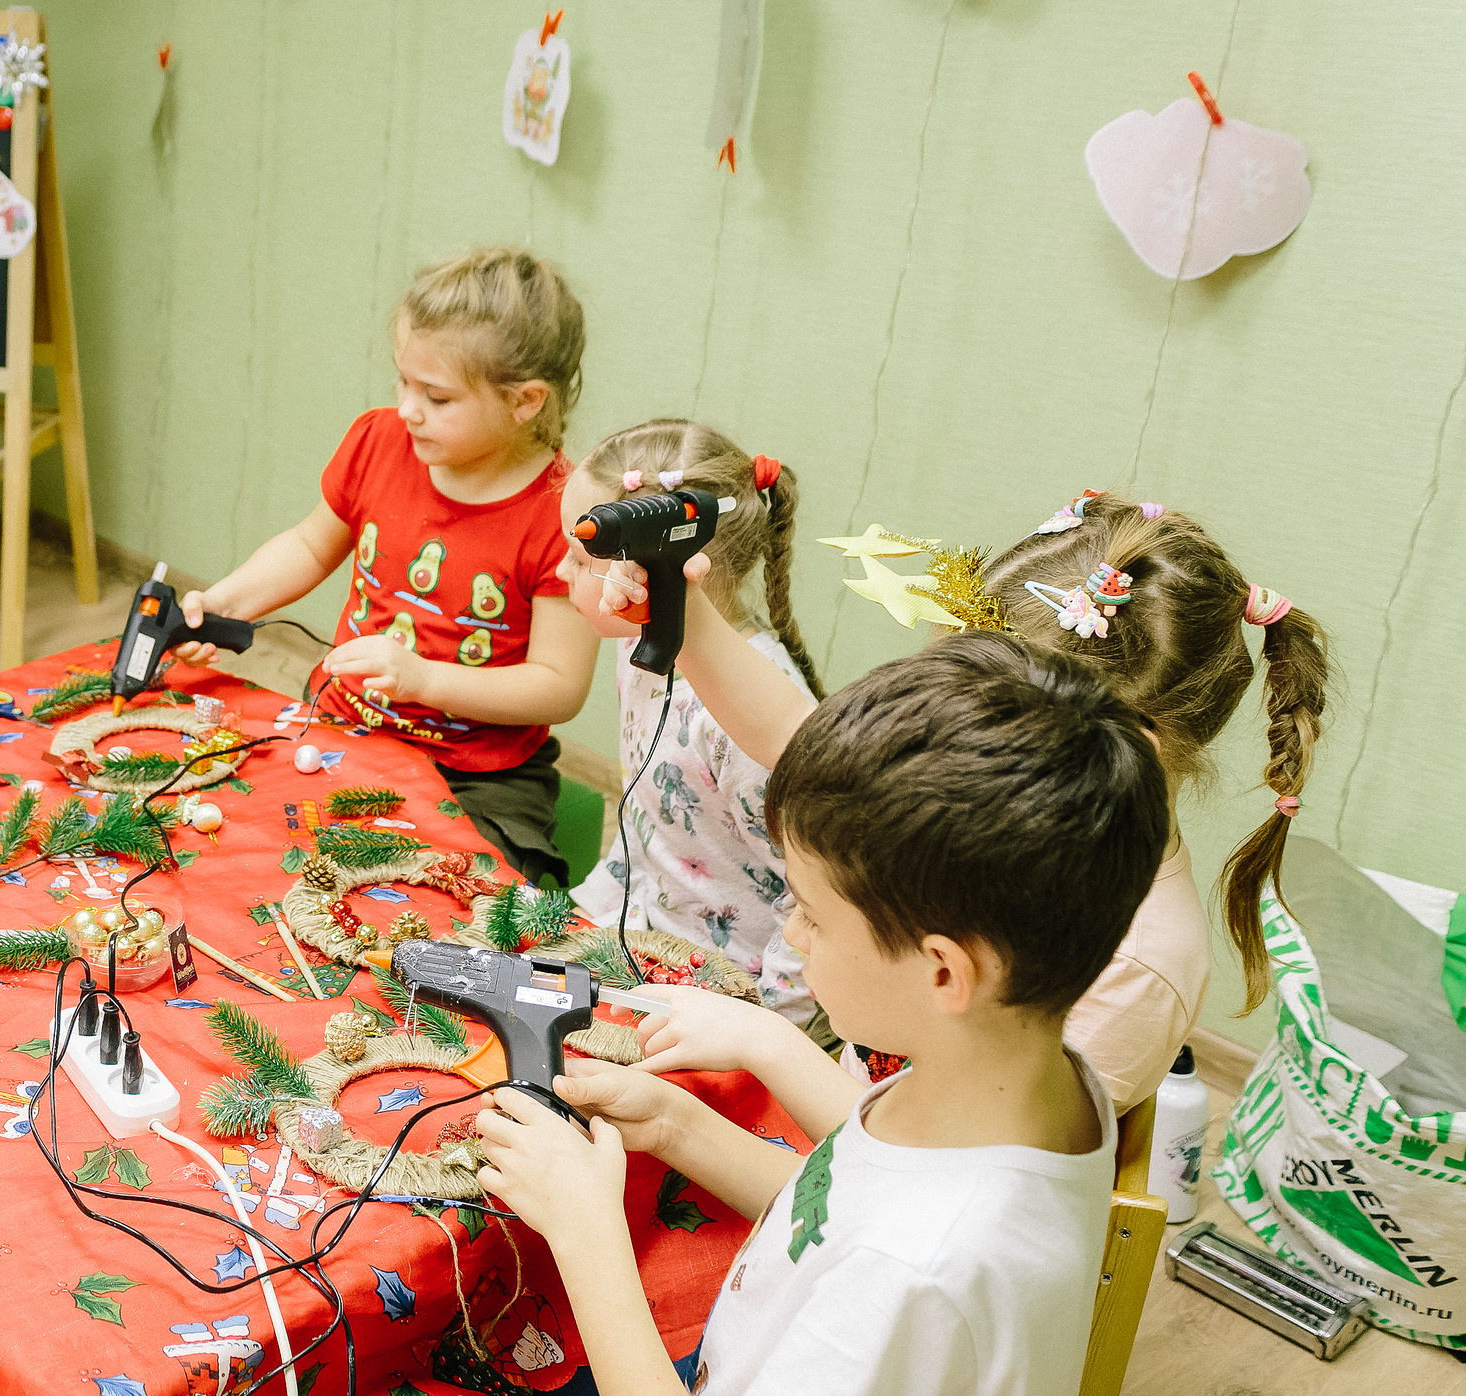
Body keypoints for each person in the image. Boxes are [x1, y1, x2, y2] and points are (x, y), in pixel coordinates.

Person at [310, 634, 1170, 1396]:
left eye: (808, 909)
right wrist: (677, 1123)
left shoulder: (923, 1269)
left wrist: (587, 1236)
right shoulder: (1032, 1084)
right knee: (496, 1361)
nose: (794, 935)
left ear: (944, 967)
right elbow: (841, 1207)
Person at [577, 491, 1329, 1115]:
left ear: (1122, 741)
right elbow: (790, 734)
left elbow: (935, 1174)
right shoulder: (995, 795)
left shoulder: (1134, 968)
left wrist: (763, 1047)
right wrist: (683, 607)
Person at [178, 247, 598, 885]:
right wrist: (227, 602)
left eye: (436, 396)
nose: (408, 409)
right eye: (403, 382)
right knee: (244, 855)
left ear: (525, 401)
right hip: (342, 726)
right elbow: (311, 544)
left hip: (479, 775)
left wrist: (424, 680)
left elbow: (558, 686)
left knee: (466, 901)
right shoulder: (379, 441)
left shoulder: (566, 512)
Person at [558, 420, 823, 1029]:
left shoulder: (744, 727)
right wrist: (583, 920)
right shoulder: (637, 646)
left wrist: (766, 1037)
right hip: (646, 952)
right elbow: (645, 824)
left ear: (665, 560)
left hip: (733, 999)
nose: (559, 574)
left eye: (579, 557)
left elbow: (813, 908)